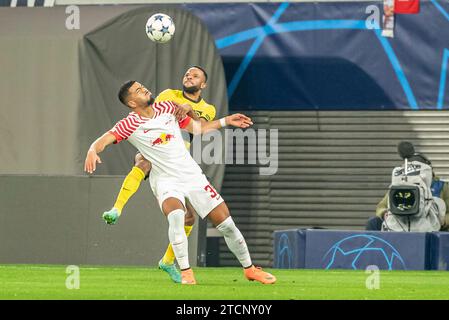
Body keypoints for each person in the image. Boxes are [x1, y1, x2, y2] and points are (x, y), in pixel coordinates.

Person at [84, 80, 276, 285]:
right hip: (165, 180)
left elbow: (198, 129)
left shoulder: (167, 107)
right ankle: (186, 272)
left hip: (191, 174)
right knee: (177, 216)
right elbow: (105, 139)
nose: (145, 89)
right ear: (132, 103)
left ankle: (249, 269)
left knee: (226, 224)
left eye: (143, 86)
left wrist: (226, 120)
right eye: (139, 90)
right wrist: (92, 150)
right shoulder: (129, 124)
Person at [102, 66, 216, 283]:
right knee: (143, 161)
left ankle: (166, 261)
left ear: (203, 85)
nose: (189, 76)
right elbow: (143, 113)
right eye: (187, 74)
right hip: (154, 148)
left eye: (195, 76)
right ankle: (116, 208)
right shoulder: (166, 95)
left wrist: (186, 108)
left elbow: (199, 127)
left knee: (189, 217)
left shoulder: (208, 108)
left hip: (178, 163)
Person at [366, 153, 449, 231]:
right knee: (373, 222)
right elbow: (381, 206)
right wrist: (384, 213)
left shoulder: (442, 187)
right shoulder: (398, 186)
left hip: (430, 227)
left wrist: (443, 220)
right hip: (399, 224)